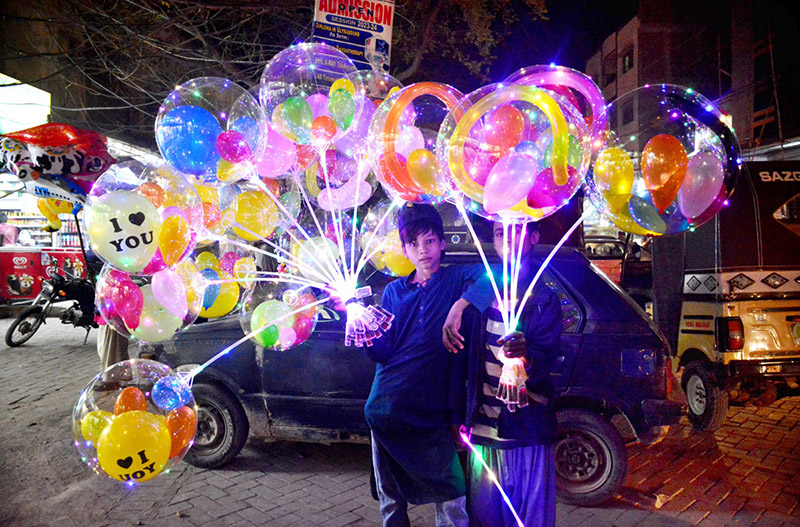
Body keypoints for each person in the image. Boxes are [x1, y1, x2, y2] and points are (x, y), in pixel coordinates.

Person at [364, 203, 493, 527]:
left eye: (430, 241)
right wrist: (363, 332)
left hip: (430, 409)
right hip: (386, 406)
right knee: (390, 495)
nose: (423, 251)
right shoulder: (394, 291)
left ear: (443, 243)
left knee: (450, 492)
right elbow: (384, 352)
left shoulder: (455, 278)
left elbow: (498, 277)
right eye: (414, 244)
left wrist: (460, 306)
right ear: (405, 249)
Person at [444, 221, 562, 527]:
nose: (507, 240)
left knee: (530, 517)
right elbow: (462, 362)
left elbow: (548, 360)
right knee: (485, 518)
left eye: (517, 232)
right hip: (483, 430)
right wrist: (458, 415)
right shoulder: (480, 298)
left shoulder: (544, 301)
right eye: (499, 233)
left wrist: (527, 356)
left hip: (527, 431)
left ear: (533, 238)